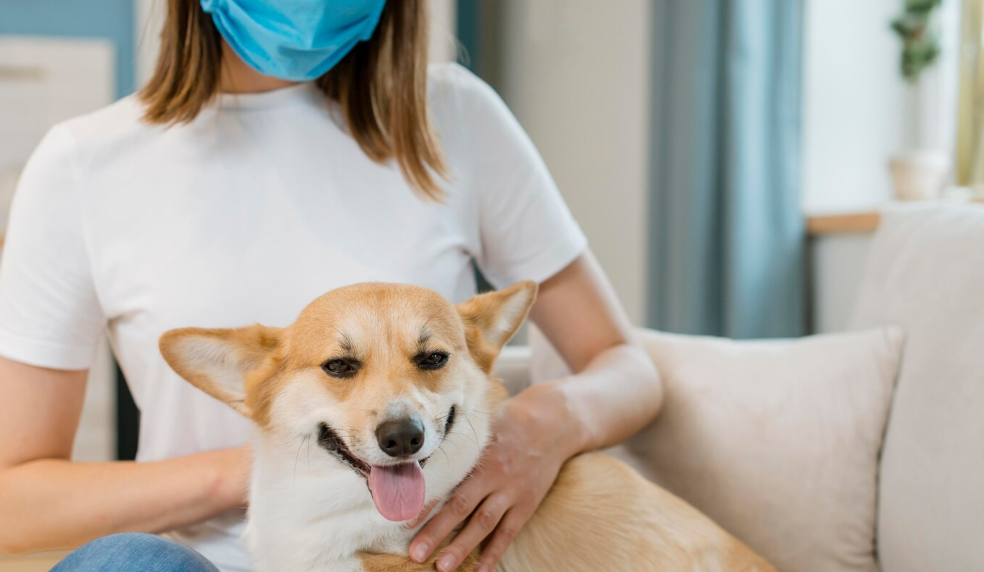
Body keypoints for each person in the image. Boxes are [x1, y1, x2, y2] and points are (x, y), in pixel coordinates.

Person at [0, 1, 662, 571]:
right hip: (212, 560)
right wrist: (266, 471)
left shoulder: (458, 116)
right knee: (129, 563)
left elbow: (629, 367)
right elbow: (14, 502)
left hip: (416, 552)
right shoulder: (83, 164)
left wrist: (539, 427)